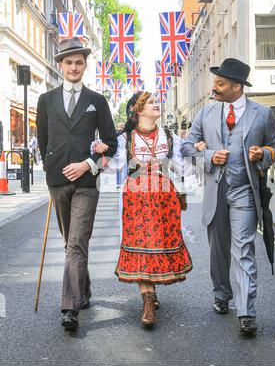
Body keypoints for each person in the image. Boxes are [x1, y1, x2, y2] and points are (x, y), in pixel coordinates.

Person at [183, 58, 275, 336]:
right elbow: (188, 147)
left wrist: (263, 154)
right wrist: (209, 155)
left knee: (244, 250)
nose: (214, 86)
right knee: (218, 250)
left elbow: (274, 148)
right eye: (215, 81)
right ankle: (221, 294)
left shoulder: (262, 114)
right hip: (216, 189)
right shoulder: (206, 113)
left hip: (244, 192)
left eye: (220, 82)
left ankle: (246, 311)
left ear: (237, 87)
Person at [92, 92, 198, 328]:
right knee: (141, 246)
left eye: (155, 101)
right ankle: (148, 302)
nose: (156, 104)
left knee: (157, 247)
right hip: (135, 199)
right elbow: (109, 168)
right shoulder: (125, 139)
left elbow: (186, 169)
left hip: (164, 199)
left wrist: (194, 153)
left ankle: (151, 292)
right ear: (138, 110)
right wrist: (101, 152)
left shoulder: (169, 137)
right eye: (150, 102)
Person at [36, 37, 118, 331]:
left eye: (79, 62)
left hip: (86, 182)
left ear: (85, 65)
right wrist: (49, 168)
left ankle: (70, 307)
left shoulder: (97, 101)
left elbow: (111, 143)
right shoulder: (45, 100)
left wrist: (88, 163)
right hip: (57, 181)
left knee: (77, 243)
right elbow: (43, 140)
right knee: (71, 242)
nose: (74, 67)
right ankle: (83, 288)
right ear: (60, 65)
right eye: (68, 62)